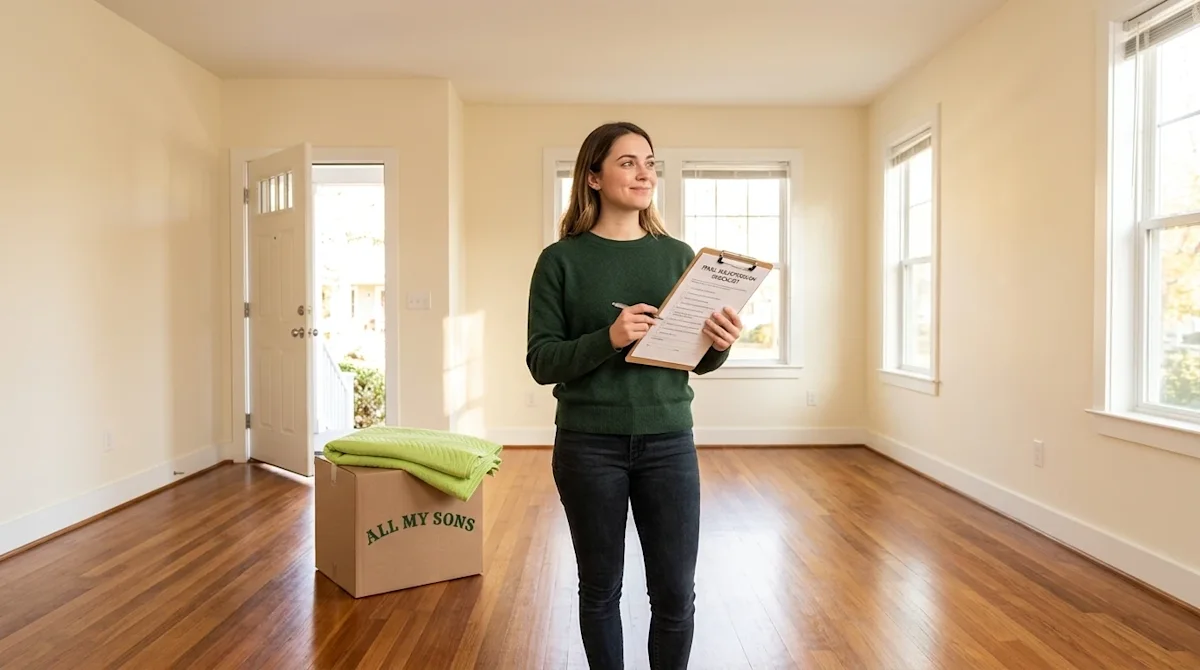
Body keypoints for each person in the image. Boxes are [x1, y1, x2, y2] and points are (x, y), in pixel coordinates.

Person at [525, 121, 742, 669]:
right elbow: (541, 362)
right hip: (587, 446)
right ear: (593, 176)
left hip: (668, 441)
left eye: (650, 161)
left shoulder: (678, 256)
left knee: (674, 594)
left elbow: (695, 360)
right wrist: (610, 338)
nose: (644, 172)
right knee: (600, 590)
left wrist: (719, 343)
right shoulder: (560, 261)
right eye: (627, 162)